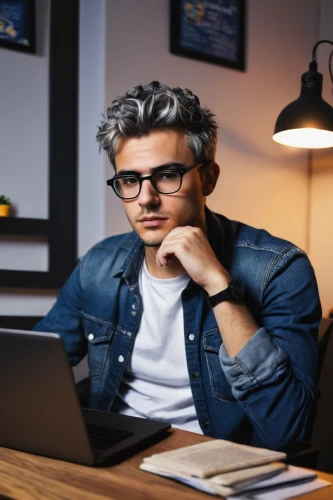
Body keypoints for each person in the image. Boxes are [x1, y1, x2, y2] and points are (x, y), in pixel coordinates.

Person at [35, 81, 321, 451]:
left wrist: (219, 286)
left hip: (217, 470)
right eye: (129, 180)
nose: (146, 199)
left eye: (167, 175)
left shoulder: (280, 269)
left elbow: (288, 430)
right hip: (113, 460)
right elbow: (33, 369)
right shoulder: (98, 265)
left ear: (209, 178)